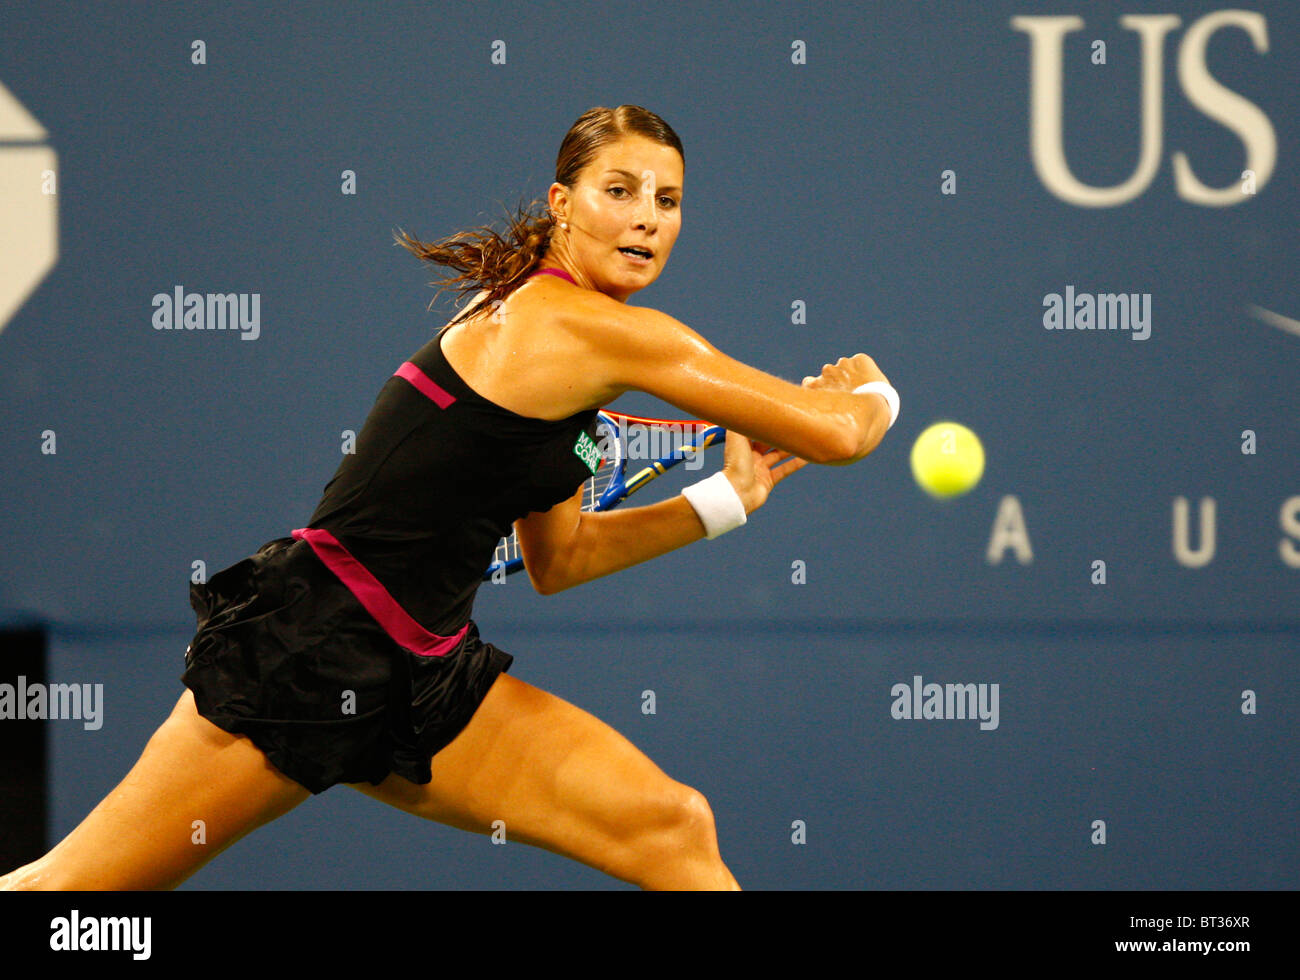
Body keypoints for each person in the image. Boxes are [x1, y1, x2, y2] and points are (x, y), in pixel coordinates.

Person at [0, 105, 895, 891]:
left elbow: (561, 559)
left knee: (669, 826)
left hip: (426, 674)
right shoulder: (576, 329)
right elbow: (840, 435)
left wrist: (721, 504)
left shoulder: (576, 366)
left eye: (667, 202)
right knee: (72, 898)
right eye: (619, 191)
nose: (646, 220)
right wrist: (872, 396)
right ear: (562, 203)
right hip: (311, 654)